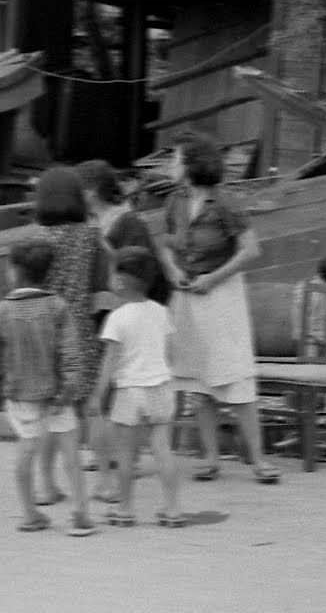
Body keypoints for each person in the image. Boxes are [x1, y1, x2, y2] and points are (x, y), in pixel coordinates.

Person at [156, 130, 280, 484]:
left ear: (192, 166)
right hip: (187, 297)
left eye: (176, 159)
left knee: (234, 377)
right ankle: (210, 458)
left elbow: (251, 250)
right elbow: (166, 244)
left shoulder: (226, 205)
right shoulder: (176, 203)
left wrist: (214, 278)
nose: (171, 165)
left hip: (222, 298)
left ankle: (258, 460)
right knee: (198, 381)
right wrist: (173, 269)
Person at [0, 239, 95, 536]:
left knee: (27, 448)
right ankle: (80, 513)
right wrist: (70, 388)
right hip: (58, 394)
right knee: (70, 448)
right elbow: (70, 352)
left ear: (15, 271)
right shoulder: (58, 306)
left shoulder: (1, 311)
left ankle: (30, 514)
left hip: (20, 394)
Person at [88, 246, 183, 527]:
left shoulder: (117, 318)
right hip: (161, 388)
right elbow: (171, 353)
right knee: (162, 450)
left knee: (126, 455)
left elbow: (109, 362)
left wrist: (97, 395)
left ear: (119, 281)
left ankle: (126, 509)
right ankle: (173, 508)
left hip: (130, 392)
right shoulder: (161, 312)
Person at [32, 166, 108, 504]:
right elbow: (100, 292)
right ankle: (106, 483)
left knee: (52, 413)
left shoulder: (37, 240)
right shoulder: (92, 237)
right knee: (92, 409)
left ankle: (47, 485)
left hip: (46, 333)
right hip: (82, 331)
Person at [77, 158, 170, 305]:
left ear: (91, 191)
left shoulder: (129, 223)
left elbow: (142, 272)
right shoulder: (87, 221)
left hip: (127, 309)